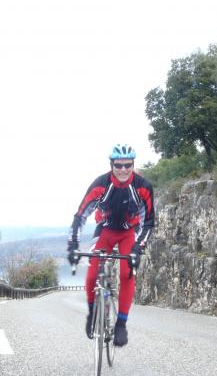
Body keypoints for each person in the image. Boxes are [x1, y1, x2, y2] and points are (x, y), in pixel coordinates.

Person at [67, 143, 155, 347]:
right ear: (111, 164)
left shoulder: (143, 186)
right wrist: (73, 245)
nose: (123, 169)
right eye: (118, 165)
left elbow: (148, 221)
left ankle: (121, 324)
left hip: (127, 233)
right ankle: (92, 314)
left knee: (127, 273)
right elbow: (80, 216)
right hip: (105, 231)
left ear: (133, 164)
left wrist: (138, 247)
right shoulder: (100, 184)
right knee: (91, 275)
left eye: (128, 165)